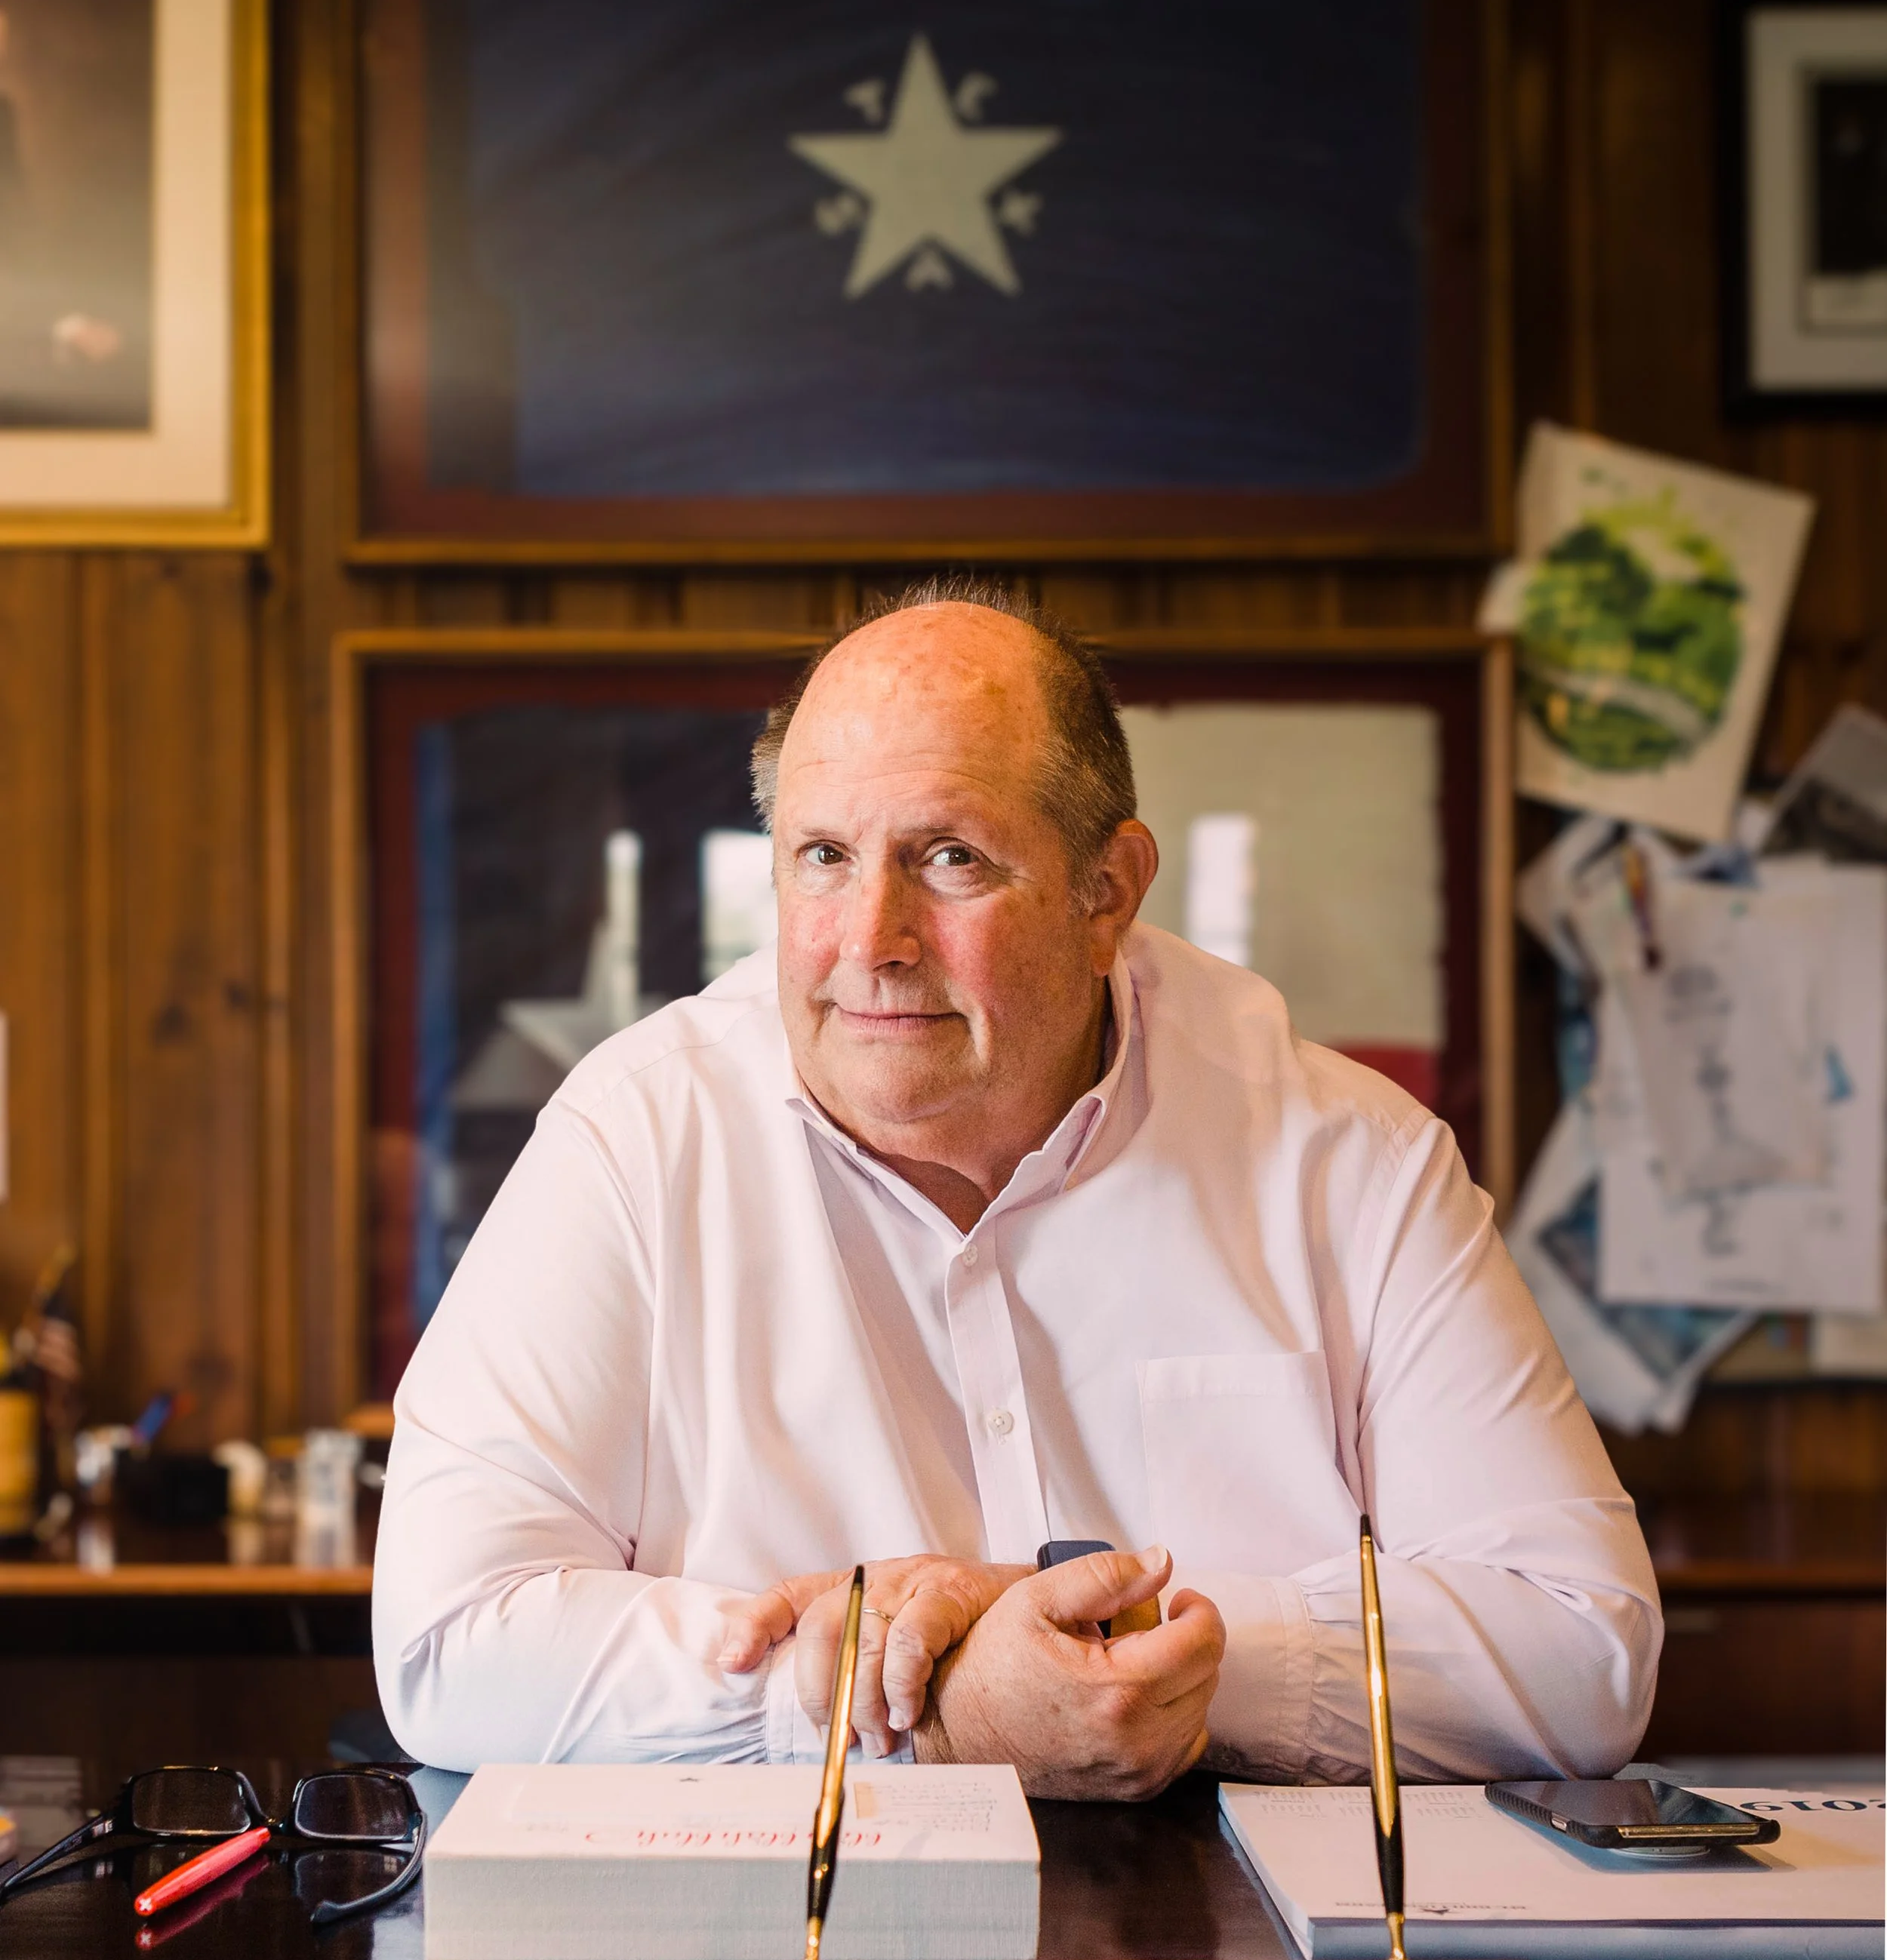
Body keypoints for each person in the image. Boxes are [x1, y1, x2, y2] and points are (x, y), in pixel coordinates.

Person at [374, 582, 1661, 1791]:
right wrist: (919, 1706)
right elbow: (446, 1642)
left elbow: (1584, 1648)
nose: (870, 940)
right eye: (823, 856)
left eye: (950, 860)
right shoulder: (637, 1137)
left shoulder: (1351, 1160)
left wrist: (1157, 1659)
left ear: (1109, 892)